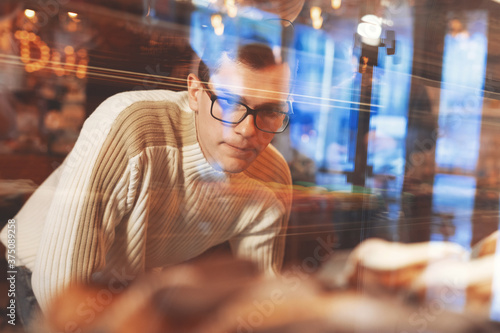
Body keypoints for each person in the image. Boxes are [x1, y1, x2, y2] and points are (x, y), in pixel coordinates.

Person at [0, 3, 303, 328]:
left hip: (125, 289)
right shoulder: (129, 128)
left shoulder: (271, 177)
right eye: (228, 103)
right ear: (195, 92)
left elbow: (256, 303)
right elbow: (61, 289)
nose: (247, 130)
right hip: (27, 276)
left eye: (270, 111)